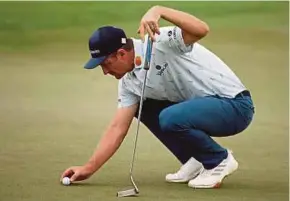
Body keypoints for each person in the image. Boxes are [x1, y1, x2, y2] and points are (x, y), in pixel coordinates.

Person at [60, 5, 255, 189]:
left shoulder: (159, 42)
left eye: (106, 64)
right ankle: (194, 159)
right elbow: (117, 127)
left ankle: (219, 160)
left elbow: (201, 29)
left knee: (169, 117)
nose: (104, 72)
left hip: (235, 107)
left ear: (121, 53)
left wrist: (158, 10)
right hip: (203, 109)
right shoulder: (129, 83)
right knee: (144, 107)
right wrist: (88, 168)